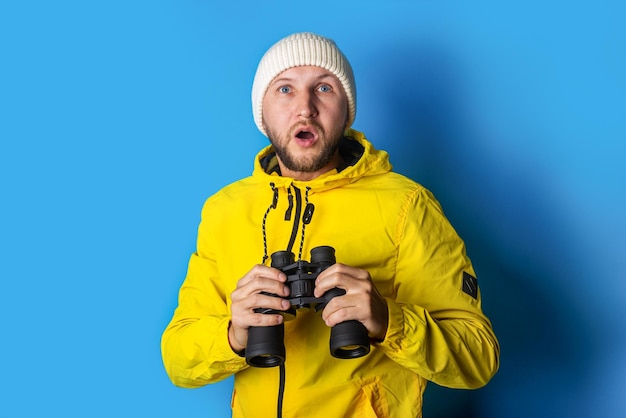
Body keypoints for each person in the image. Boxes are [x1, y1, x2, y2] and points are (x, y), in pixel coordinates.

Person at [161, 32, 499, 417]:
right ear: (262, 112)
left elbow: (478, 356)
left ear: (347, 109)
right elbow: (178, 358)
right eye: (285, 89)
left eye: (324, 87)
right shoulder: (226, 210)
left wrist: (389, 319)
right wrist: (233, 335)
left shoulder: (406, 205)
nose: (305, 109)